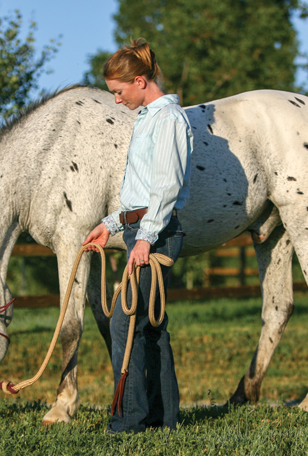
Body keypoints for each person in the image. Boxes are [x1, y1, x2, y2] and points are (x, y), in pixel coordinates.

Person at [82, 38, 193, 434]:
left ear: (141, 81)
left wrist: (144, 239)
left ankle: (127, 422)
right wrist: (111, 224)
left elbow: (165, 188)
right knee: (147, 326)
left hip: (157, 234)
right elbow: (142, 189)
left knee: (124, 325)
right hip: (141, 229)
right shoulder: (149, 118)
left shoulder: (168, 120)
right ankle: (160, 419)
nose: (116, 100)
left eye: (118, 92)